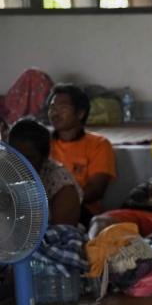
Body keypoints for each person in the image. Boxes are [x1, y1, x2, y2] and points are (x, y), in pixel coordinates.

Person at [47, 83, 117, 224]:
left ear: (80, 113)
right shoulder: (43, 143)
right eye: (52, 108)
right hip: (43, 209)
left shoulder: (98, 144)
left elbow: (96, 190)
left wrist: (61, 203)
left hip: (82, 211)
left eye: (63, 108)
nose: (55, 113)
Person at [7, 118, 82, 226]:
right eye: (15, 157)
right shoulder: (3, 168)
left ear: (45, 155)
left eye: (29, 159)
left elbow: (64, 234)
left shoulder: (61, 183)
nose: (21, 164)